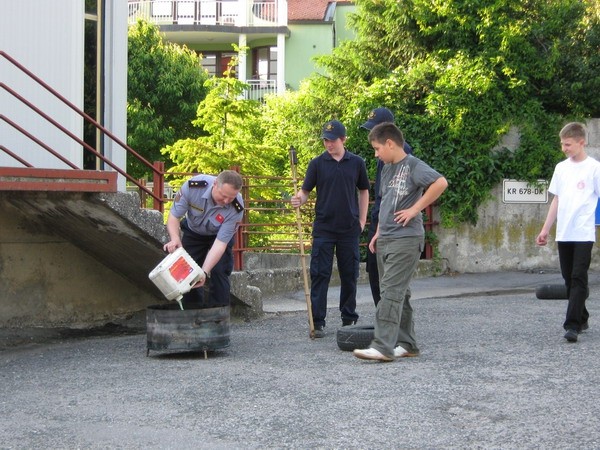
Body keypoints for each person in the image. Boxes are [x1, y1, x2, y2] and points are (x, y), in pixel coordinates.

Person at [353, 123, 448, 361]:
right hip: (387, 237)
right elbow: (386, 202)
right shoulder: (386, 168)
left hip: (406, 238)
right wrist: (378, 232)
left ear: (390, 143)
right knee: (399, 292)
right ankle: (407, 343)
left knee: (391, 291)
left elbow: (440, 183)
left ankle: (383, 346)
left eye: (377, 148)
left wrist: (415, 209)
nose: (375, 154)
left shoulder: (414, 165)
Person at [291, 120, 370, 337]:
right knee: (320, 273)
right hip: (324, 228)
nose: (328, 144)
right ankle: (317, 320)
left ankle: (349, 318)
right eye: (325, 140)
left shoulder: (357, 163)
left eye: (332, 140)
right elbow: (305, 191)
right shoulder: (317, 163)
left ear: (343, 139)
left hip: (349, 228)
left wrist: (362, 220)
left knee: (349, 273)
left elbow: (364, 191)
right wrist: (299, 199)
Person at [535, 122, 600, 343]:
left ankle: (572, 326)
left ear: (582, 142)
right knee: (567, 279)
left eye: (568, 144)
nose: (564, 148)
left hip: (583, 232)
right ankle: (582, 317)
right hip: (564, 232)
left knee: (578, 277)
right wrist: (545, 229)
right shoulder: (561, 168)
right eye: (562, 144)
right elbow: (557, 200)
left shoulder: (594, 168)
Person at [163, 170, 244, 309]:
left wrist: (204, 272)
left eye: (231, 198)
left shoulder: (237, 207)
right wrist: (175, 239)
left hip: (218, 237)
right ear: (215, 185)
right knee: (189, 274)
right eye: (223, 196)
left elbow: (220, 244)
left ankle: (218, 317)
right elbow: (174, 216)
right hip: (194, 232)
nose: (226, 202)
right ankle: (192, 314)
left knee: (220, 271)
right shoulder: (193, 187)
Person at [361, 107, 413, 306]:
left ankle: (388, 322)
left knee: (384, 275)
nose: (371, 134)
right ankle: (386, 320)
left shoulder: (400, 153)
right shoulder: (386, 152)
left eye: (375, 129)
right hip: (382, 219)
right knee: (376, 272)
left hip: (389, 222)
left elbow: (395, 193)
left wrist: (382, 228)